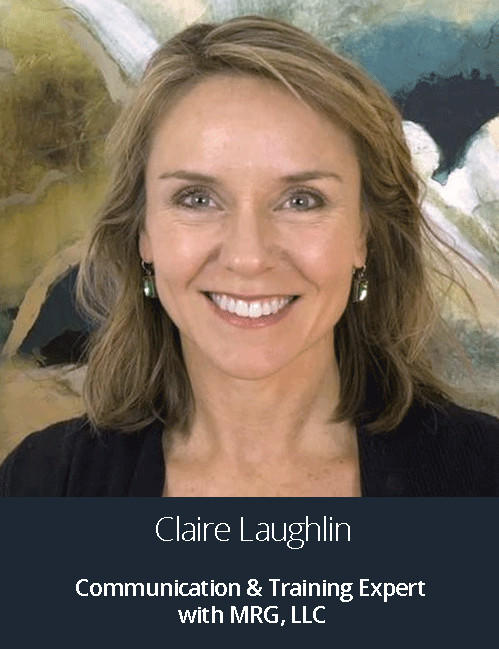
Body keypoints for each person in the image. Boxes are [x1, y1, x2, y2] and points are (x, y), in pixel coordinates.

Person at [0, 15, 497, 497]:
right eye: (197, 199)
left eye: (301, 200)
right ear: (143, 234)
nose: (248, 257)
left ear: (364, 235)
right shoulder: (42, 487)